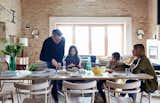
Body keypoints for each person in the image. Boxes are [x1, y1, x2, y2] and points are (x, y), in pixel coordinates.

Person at [40, 29, 65, 103]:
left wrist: (60, 61)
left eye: (59, 39)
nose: (58, 42)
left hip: (59, 63)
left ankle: (58, 94)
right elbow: (41, 56)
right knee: (53, 81)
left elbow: (62, 53)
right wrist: (51, 60)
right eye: (56, 40)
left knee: (60, 80)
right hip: (50, 63)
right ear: (52, 37)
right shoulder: (47, 41)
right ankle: (55, 99)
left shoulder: (63, 40)